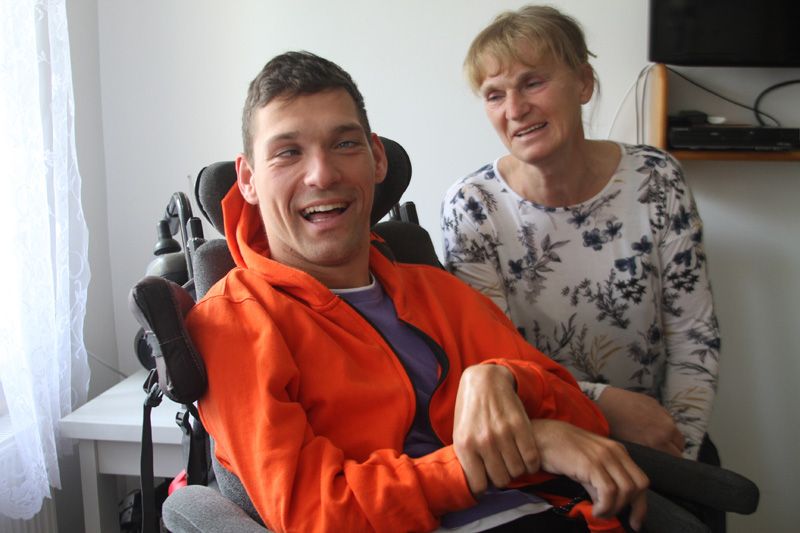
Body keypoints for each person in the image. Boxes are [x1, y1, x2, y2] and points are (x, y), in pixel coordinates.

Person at [185, 51, 648, 533]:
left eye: (344, 143)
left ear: (377, 158)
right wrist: (506, 453)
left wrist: (506, 380)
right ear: (248, 179)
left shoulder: (440, 293)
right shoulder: (236, 320)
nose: (322, 174)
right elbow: (317, 514)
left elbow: (585, 424)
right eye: (287, 152)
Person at [441, 5, 720, 463]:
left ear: (584, 83)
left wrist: (679, 454)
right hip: (546, 442)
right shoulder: (473, 206)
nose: (515, 109)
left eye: (533, 82)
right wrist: (605, 406)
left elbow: (694, 334)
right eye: (494, 95)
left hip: (659, 434)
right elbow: (496, 363)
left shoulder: (656, 178)